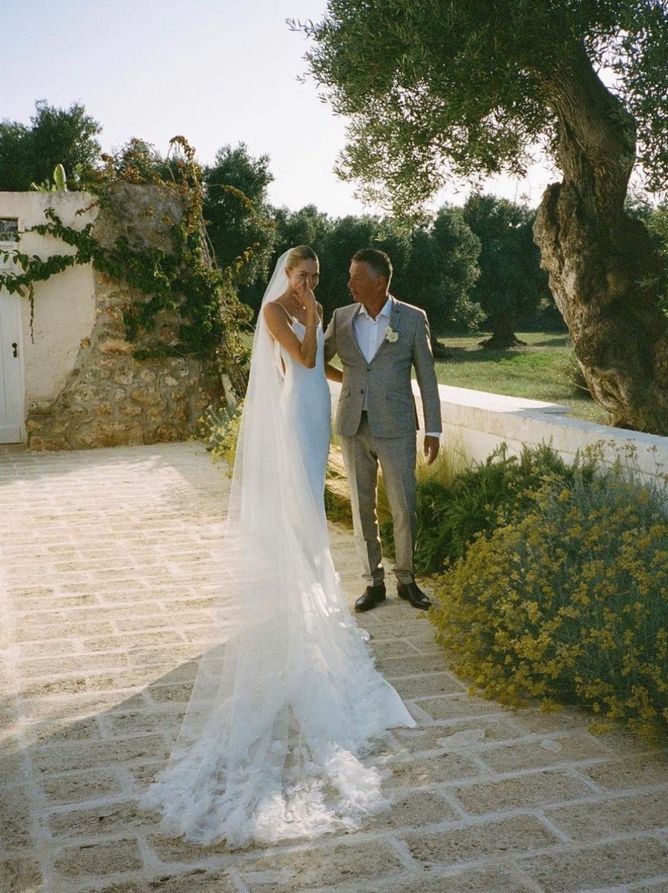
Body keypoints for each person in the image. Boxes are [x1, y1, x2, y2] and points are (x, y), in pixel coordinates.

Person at [139, 247, 415, 848]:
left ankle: (313, 595)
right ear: (287, 276)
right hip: (297, 414)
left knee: (310, 504)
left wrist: (362, 376)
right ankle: (297, 598)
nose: (310, 282)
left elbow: (328, 369)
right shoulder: (275, 311)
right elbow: (303, 354)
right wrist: (313, 314)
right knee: (301, 510)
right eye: (303, 276)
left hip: (319, 406)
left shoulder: (314, 305)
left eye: (316, 276)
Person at [324, 248, 442, 613]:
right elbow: (316, 359)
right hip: (352, 424)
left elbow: (427, 376)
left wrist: (433, 429)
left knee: (404, 506)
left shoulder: (411, 319)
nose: (349, 285)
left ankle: (407, 580)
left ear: (379, 282)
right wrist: (348, 382)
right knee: (361, 509)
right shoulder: (342, 318)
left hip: (397, 426)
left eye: (356, 278)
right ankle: (373, 581)